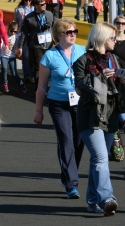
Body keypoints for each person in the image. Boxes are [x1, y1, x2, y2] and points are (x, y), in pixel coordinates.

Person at [33, 18, 86, 199]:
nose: (73, 35)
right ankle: (72, 184)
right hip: (58, 104)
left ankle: (67, 175)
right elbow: (41, 87)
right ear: (58, 35)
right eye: (69, 32)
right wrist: (38, 111)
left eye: (74, 32)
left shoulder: (82, 51)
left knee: (79, 142)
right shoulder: (50, 56)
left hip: (80, 103)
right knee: (65, 139)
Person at [72, 22, 120, 216]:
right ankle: (108, 197)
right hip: (89, 115)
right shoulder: (83, 61)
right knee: (101, 158)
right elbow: (80, 86)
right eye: (112, 38)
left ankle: (93, 201)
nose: (115, 41)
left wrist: (119, 77)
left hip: (110, 114)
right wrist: (100, 77)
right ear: (101, 38)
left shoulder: (114, 59)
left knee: (97, 161)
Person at [17, 0, 55, 86]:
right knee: (39, 67)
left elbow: (57, 27)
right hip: (36, 46)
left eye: (45, 4)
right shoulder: (29, 18)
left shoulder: (50, 15)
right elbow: (24, 33)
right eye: (42, 4)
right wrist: (20, 46)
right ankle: (38, 88)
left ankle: (48, 86)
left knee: (49, 67)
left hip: (49, 45)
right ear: (36, 6)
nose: (44, 5)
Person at [1, 21, 27, 94]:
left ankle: (22, 86)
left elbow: (19, 43)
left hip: (11, 56)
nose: (13, 33)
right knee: (4, 68)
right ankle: (5, 83)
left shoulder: (16, 36)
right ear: (8, 29)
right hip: (4, 55)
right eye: (11, 31)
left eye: (15, 31)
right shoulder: (4, 35)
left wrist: (19, 50)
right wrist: (4, 47)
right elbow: (1, 44)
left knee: (14, 73)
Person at [14, 0, 34, 82]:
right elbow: (16, 22)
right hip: (23, 34)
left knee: (33, 56)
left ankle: (33, 74)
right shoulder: (19, 9)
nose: (28, 2)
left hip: (33, 35)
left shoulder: (34, 8)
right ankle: (27, 75)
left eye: (29, 0)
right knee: (25, 56)